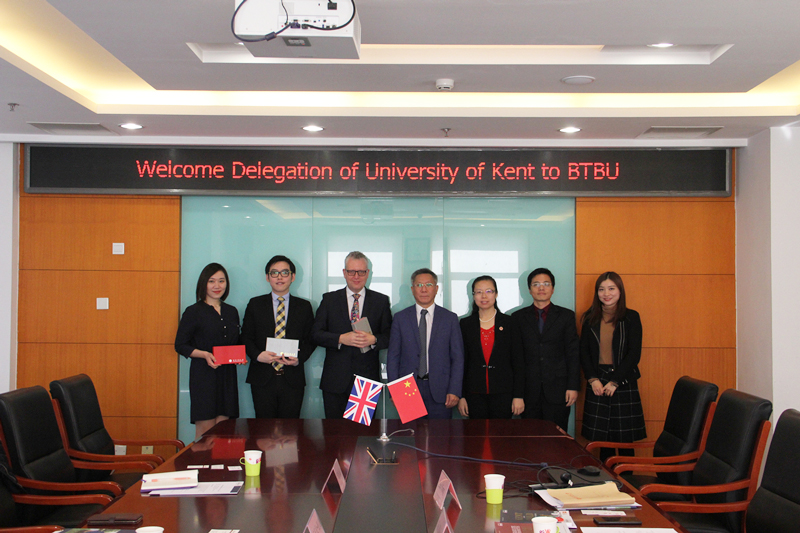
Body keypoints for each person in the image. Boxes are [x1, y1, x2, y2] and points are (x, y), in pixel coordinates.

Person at [312, 251, 393, 419]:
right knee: (335, 432)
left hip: (366, 381)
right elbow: (315, 334)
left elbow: (390, 336)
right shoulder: (329, 300)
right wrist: (341, 339)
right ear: (344, 272)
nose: (356, 276)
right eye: (351, 271)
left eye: (361, 272)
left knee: (362, 432)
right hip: (335, 380)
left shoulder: (380, 301)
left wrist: (374, 339)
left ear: (368, 273)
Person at [580, 271, 646, 459]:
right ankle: (606, 475)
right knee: (602, 438)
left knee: (625, 439)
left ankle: (627, 475)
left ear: (620, 291)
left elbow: (634, 354)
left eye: (611, 288)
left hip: (623, 380)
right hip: (597, 380)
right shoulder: (590, 318)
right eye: (601, 289)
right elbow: (583, 352)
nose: (606, 293)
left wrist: (615, 381)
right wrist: (592, 379)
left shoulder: (631, 317)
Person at [241, 255, 317, 419]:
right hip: (262, 378)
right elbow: (245, 337)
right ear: (267, 277)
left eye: (285, 272)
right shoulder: (255, 304)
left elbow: (311, 340)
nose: (279, 277)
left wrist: (298, 359)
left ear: (292, 277)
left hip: (292, 378)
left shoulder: (304, 307)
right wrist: (258, 355)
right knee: (263, 429)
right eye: (274, 273)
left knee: (291, 429)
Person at [175, 263, 241, 441]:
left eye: (221, 281)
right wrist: (204, 354)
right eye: (211, 281)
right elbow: (180, 345)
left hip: (227, 376)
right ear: (203, 283)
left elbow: (236, 341)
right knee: (206, 435)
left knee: (225, 432)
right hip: (204, 376)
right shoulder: (193, 311)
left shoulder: (231, 311)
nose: (217, 285)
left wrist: (240, 355)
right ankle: (201, 460)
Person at [387, 268, 464, 419]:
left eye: (428, 285)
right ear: (412, 289)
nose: (424, 289)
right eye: (419, 285)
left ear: (436, 288)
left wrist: (454, 389)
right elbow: (393, 357)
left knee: (440, 433)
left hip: (441, 390)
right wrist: (395, 390)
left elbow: (458, 358)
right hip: (407, 388)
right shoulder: (400, 318)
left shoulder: (449, 318)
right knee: (410, 432)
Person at [512, 267, 580, 431]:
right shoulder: (518, 317)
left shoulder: (566, 316)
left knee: (557, 438)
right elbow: (516, 358)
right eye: (536, 284)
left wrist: (573, 386)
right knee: (529, 438)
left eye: (546, 284)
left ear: (553, 288)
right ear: (529, 289)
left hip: (559, 390)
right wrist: (517, 394)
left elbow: (573, 353)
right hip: (529, 391)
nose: (541, 288)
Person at [458, 275, 525, 419]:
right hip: (474, 393)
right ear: (473, 295)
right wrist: (461, 396)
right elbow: (462, 363)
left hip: (504, 392)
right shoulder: (465, 324)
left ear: (496, 294)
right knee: (476, 432)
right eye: (479, 292)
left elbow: (518, 362)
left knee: (501, 432)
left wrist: (518, 395)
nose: (484, 296)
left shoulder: (510, 323)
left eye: (489, 291)